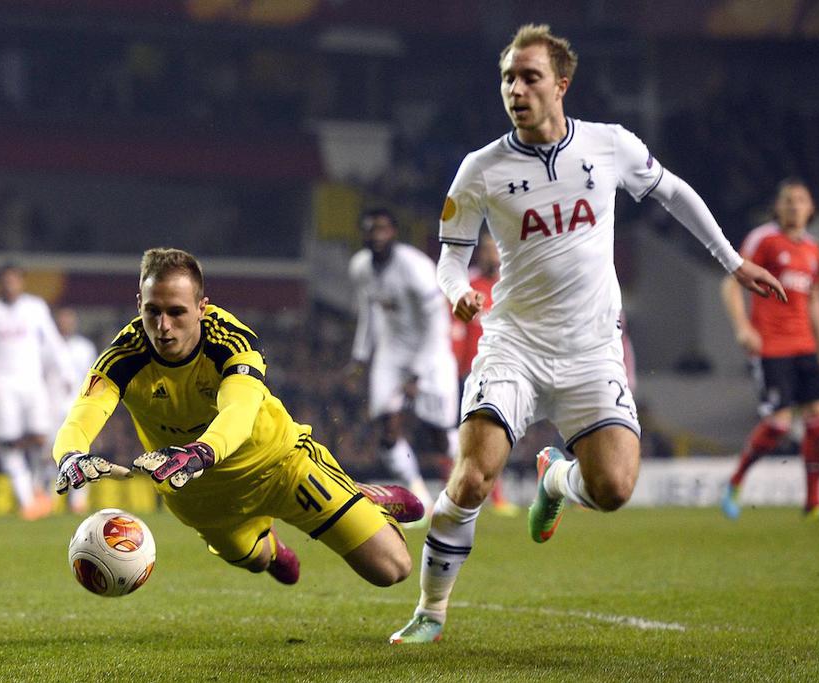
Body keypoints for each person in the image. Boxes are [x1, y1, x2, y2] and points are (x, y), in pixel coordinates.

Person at [389, 23, 786, 644]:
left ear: (561, 84)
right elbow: (448, 255)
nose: (515, 89)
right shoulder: (481, 170)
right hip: (514, 345)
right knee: (472, 477)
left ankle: (555, 479)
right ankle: (431, 612)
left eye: (529, 77)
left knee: (613, 489)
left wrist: (732, 262)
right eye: (507, 79)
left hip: (591, 352)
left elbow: (674, 194)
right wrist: (457, 289)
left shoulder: (608, 146)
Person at [53, 247, 424, 589]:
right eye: (153, 311)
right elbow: (82, 415)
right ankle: (274, 547)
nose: (163, 326)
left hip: (280, 466)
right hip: (200, 496)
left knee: (392, 569)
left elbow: (239, 411)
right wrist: (70, 455)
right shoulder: (122, 357)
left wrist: (201, 452)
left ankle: (362, 497)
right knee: (258, 560)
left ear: (201, 307)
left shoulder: (231, 341)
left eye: (177, 312)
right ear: (140, 305)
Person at [719, 179, 819, 522]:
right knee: (780, 425)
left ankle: (813, 503)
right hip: (772, 346)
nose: (794, 206)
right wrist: (743, 327)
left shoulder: (813, 249)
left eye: (800, 200)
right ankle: (735, 483)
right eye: (787, 200)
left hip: (805, 347)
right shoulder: (763, 239)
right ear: (777, 207)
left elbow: (814, 300)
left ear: (811, 208)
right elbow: (731, 282)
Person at [348, 208, 459, 517]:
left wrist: (419, 373)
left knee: (441, 434)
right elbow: (368, 313)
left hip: (432, 351)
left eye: (382, 228)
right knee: (388, 426)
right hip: (392, 352)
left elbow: (437, 322)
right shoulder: (360, 267)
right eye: (370, 229)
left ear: (394, 232)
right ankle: (419, 497)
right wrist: (360, 357)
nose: (376, 235)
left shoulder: (416, 267)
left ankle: (469, 482)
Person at [0, 262, 75, 520]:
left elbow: (53, 341)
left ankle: (36, 487)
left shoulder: (35, 308)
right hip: (1, 384)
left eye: (14, 279)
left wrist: (67, 373)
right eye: (5, 280)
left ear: (21, 281)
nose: (9, 284)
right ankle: (27, 501)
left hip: (32, 382)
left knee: (41, 437)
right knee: (8, 442)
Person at [450, 232, 518, 515]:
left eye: (497, 248)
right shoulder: (469, 287)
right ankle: (481, 494)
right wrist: (455, 367)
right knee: (467, 437)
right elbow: (456, 330)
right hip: (471, 374)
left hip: (504, 371)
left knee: (496, 435)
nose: (493, 255)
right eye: (488, 249)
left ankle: (493, 494)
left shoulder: (512, 287)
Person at [45, 306, 99, 514]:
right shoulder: (47, 347)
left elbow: (95, 379)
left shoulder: (85, 348)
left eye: (69, 318)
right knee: (51, 454)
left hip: (79, 408)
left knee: (80, 453)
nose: (65, 322)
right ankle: (50, 498)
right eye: (62, 319)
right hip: (51, 407)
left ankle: (78, 500)